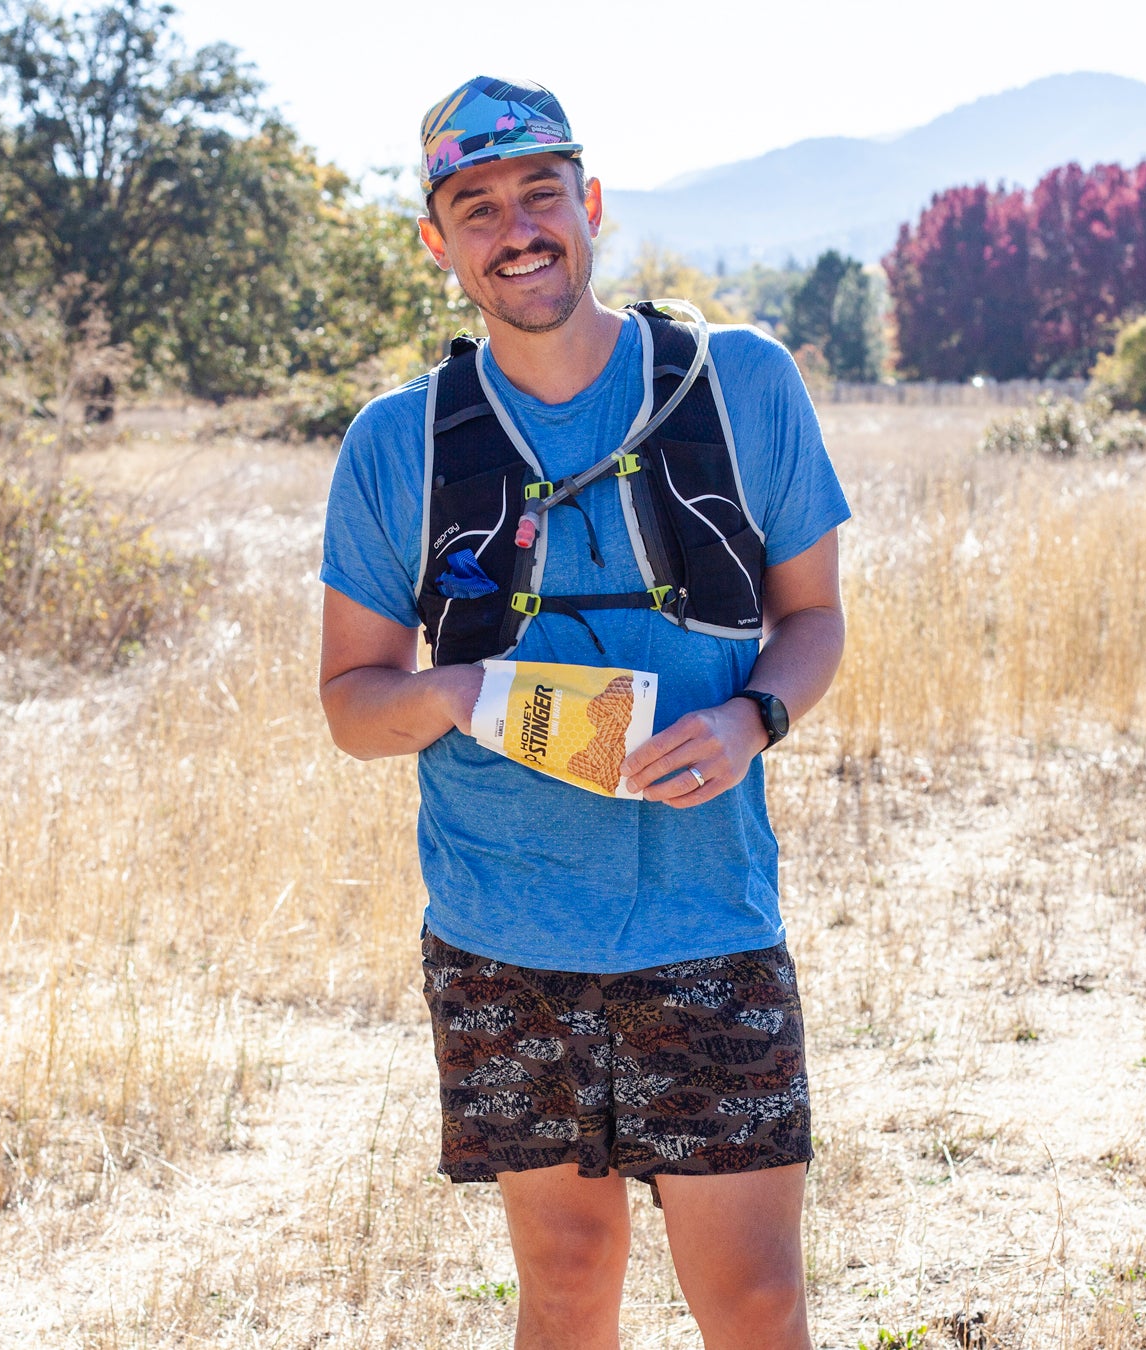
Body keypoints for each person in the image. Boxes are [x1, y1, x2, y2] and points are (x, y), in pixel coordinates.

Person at [317, 75, 849, 1350]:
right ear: (437, 244)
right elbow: (350, 703)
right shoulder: (400, 443)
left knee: (758, 1300)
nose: (518, 229)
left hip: (705, 917)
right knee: (562, 1282)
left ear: (590, 203)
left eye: (541, 194)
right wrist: (453, 690)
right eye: (477, 206)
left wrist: (752, 722)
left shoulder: (741, 384)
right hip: (506, 933)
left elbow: (815, 619)